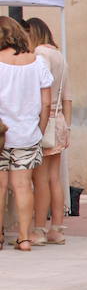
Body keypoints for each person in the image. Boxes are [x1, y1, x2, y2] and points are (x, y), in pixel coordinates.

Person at [0, 15, 52, 251]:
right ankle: (24, 238)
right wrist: (39, 130)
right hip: (28, 133)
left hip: (1, 133)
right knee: (23, 186)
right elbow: (47, 103)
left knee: (0, 186)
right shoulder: (38, 62)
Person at [27, 17, 72, 245]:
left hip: (45, 122)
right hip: (60, 121)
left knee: (41, 179)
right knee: (55, 178)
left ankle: (38, 230)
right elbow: (68, 98)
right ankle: (57, 227)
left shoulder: (39, 54)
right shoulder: (60, 56)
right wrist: (68, 127)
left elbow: (39, 92)